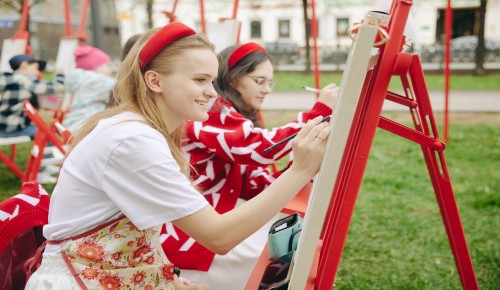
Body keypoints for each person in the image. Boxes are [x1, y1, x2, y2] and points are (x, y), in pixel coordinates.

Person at [24, 22, 330, 289]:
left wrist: (166, 279)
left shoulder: (137, 129)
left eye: (212, 80)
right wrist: (299, 171)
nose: (213, 92)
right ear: (155, 81)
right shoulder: (132, 140)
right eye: (200, 80)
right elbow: (219, 237)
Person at [161, 41, 339, 288]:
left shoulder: (228, 112)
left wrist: (299, 168)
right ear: (233, 79)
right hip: (192, 230)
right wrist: (319, 112)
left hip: (212, 215)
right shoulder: (211, 109)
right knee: (281, 263)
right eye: (259, 81)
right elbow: (259, 149)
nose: (266, 90)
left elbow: (255, 178)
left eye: (269, 83)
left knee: (288, 251)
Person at [0, 54, 65, 139]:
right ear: (24, 65)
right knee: (49, 137)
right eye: (36, 68)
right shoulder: (25, 80)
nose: (38, 72)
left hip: (2, 126)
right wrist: (60, 74)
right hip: (13, 129)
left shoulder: (7, 78)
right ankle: (47, 152)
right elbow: (58, 87)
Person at [62, 45, 116, 134]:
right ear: (94, 66)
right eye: (106, 66)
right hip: (86, 127)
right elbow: (121, 87)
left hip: (74, 123)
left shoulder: (80, 80)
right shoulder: (95, 82)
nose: (109, 71)